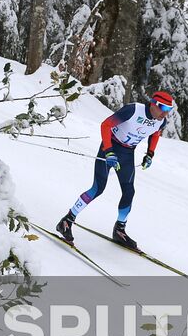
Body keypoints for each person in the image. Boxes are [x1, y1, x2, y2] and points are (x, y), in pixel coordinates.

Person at [56, 90, 175, 251]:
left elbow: (155, 133)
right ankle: (66, 221)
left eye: (169, 109)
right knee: (98, 189)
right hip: (110, 147)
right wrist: (109, 151)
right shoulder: (133, 110)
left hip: (127, 153)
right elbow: (106, 125)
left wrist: (150, 153)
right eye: (163, 108)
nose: (165, 113)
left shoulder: (161, 120)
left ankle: (119, 230)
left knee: (129, 192)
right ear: (153, 103)